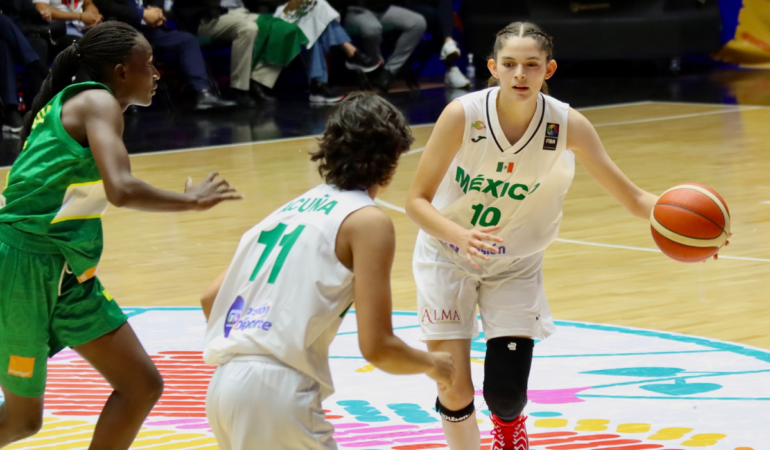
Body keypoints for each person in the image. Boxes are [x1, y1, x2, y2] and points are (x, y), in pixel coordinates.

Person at [404, 22, 677, 450]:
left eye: (531, 65)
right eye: (509, 64)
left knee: (506, 397)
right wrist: (460, 235)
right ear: (493, 67)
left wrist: (691, 230)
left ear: (548, 69)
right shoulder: (463, 115)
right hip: (447, 255)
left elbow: (635, 198)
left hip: (515, 263)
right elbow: (416, 201)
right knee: (455, 389)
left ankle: (510, 428)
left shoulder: (568, 125)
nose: (520, 75)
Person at [0, 22, 241, 448]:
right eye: (148, 65)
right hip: (24, 265)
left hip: (67, 270)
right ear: (120, 71)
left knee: (141, 386)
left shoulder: (91, 103)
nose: (157, 73)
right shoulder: (97, 101)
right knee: (22, 421)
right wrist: (190, 201)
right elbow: (121, 188)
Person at [201, 92, 454, 450]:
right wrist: (432, 364)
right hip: (276, 390)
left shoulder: (288, 210)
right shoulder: (367, 220)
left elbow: (212, 298)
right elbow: (378, 347)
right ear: (393, 161)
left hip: (224, 385)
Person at [92, 0, 236, 110]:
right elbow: (105, 4)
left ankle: (203, 93)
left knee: (187, 40)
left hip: (150, 28)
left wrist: (155, 11)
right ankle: (125, 99)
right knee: (128, 48)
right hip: (122, 29)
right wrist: (141, 14)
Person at [172, 0, 275, 107]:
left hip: (222, 12)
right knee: (248, 28)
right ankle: (239, 89)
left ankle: (249, 84)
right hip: (199, 19)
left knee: (270, 26)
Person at [274, 0, 380, 103]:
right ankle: (351, 52)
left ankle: (318, 85)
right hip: (281, 11)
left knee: (315, 21)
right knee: (318, 7)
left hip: (305, 11)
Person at [331, 0, 426, 93]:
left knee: (418, 23)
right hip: (354, 9)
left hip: (382, 8)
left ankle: (389, 71)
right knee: (373, 28)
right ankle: (374, 67)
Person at [401, 0, 469, 89]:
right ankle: (451, 67)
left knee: (445, 3)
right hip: (401, 4)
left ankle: (448, 43)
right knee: (441, 16)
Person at [0, 13, 49, 132]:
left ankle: (37, 111)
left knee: (39, 45)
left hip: (12, 31)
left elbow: (29, 9)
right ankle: (11, 109)